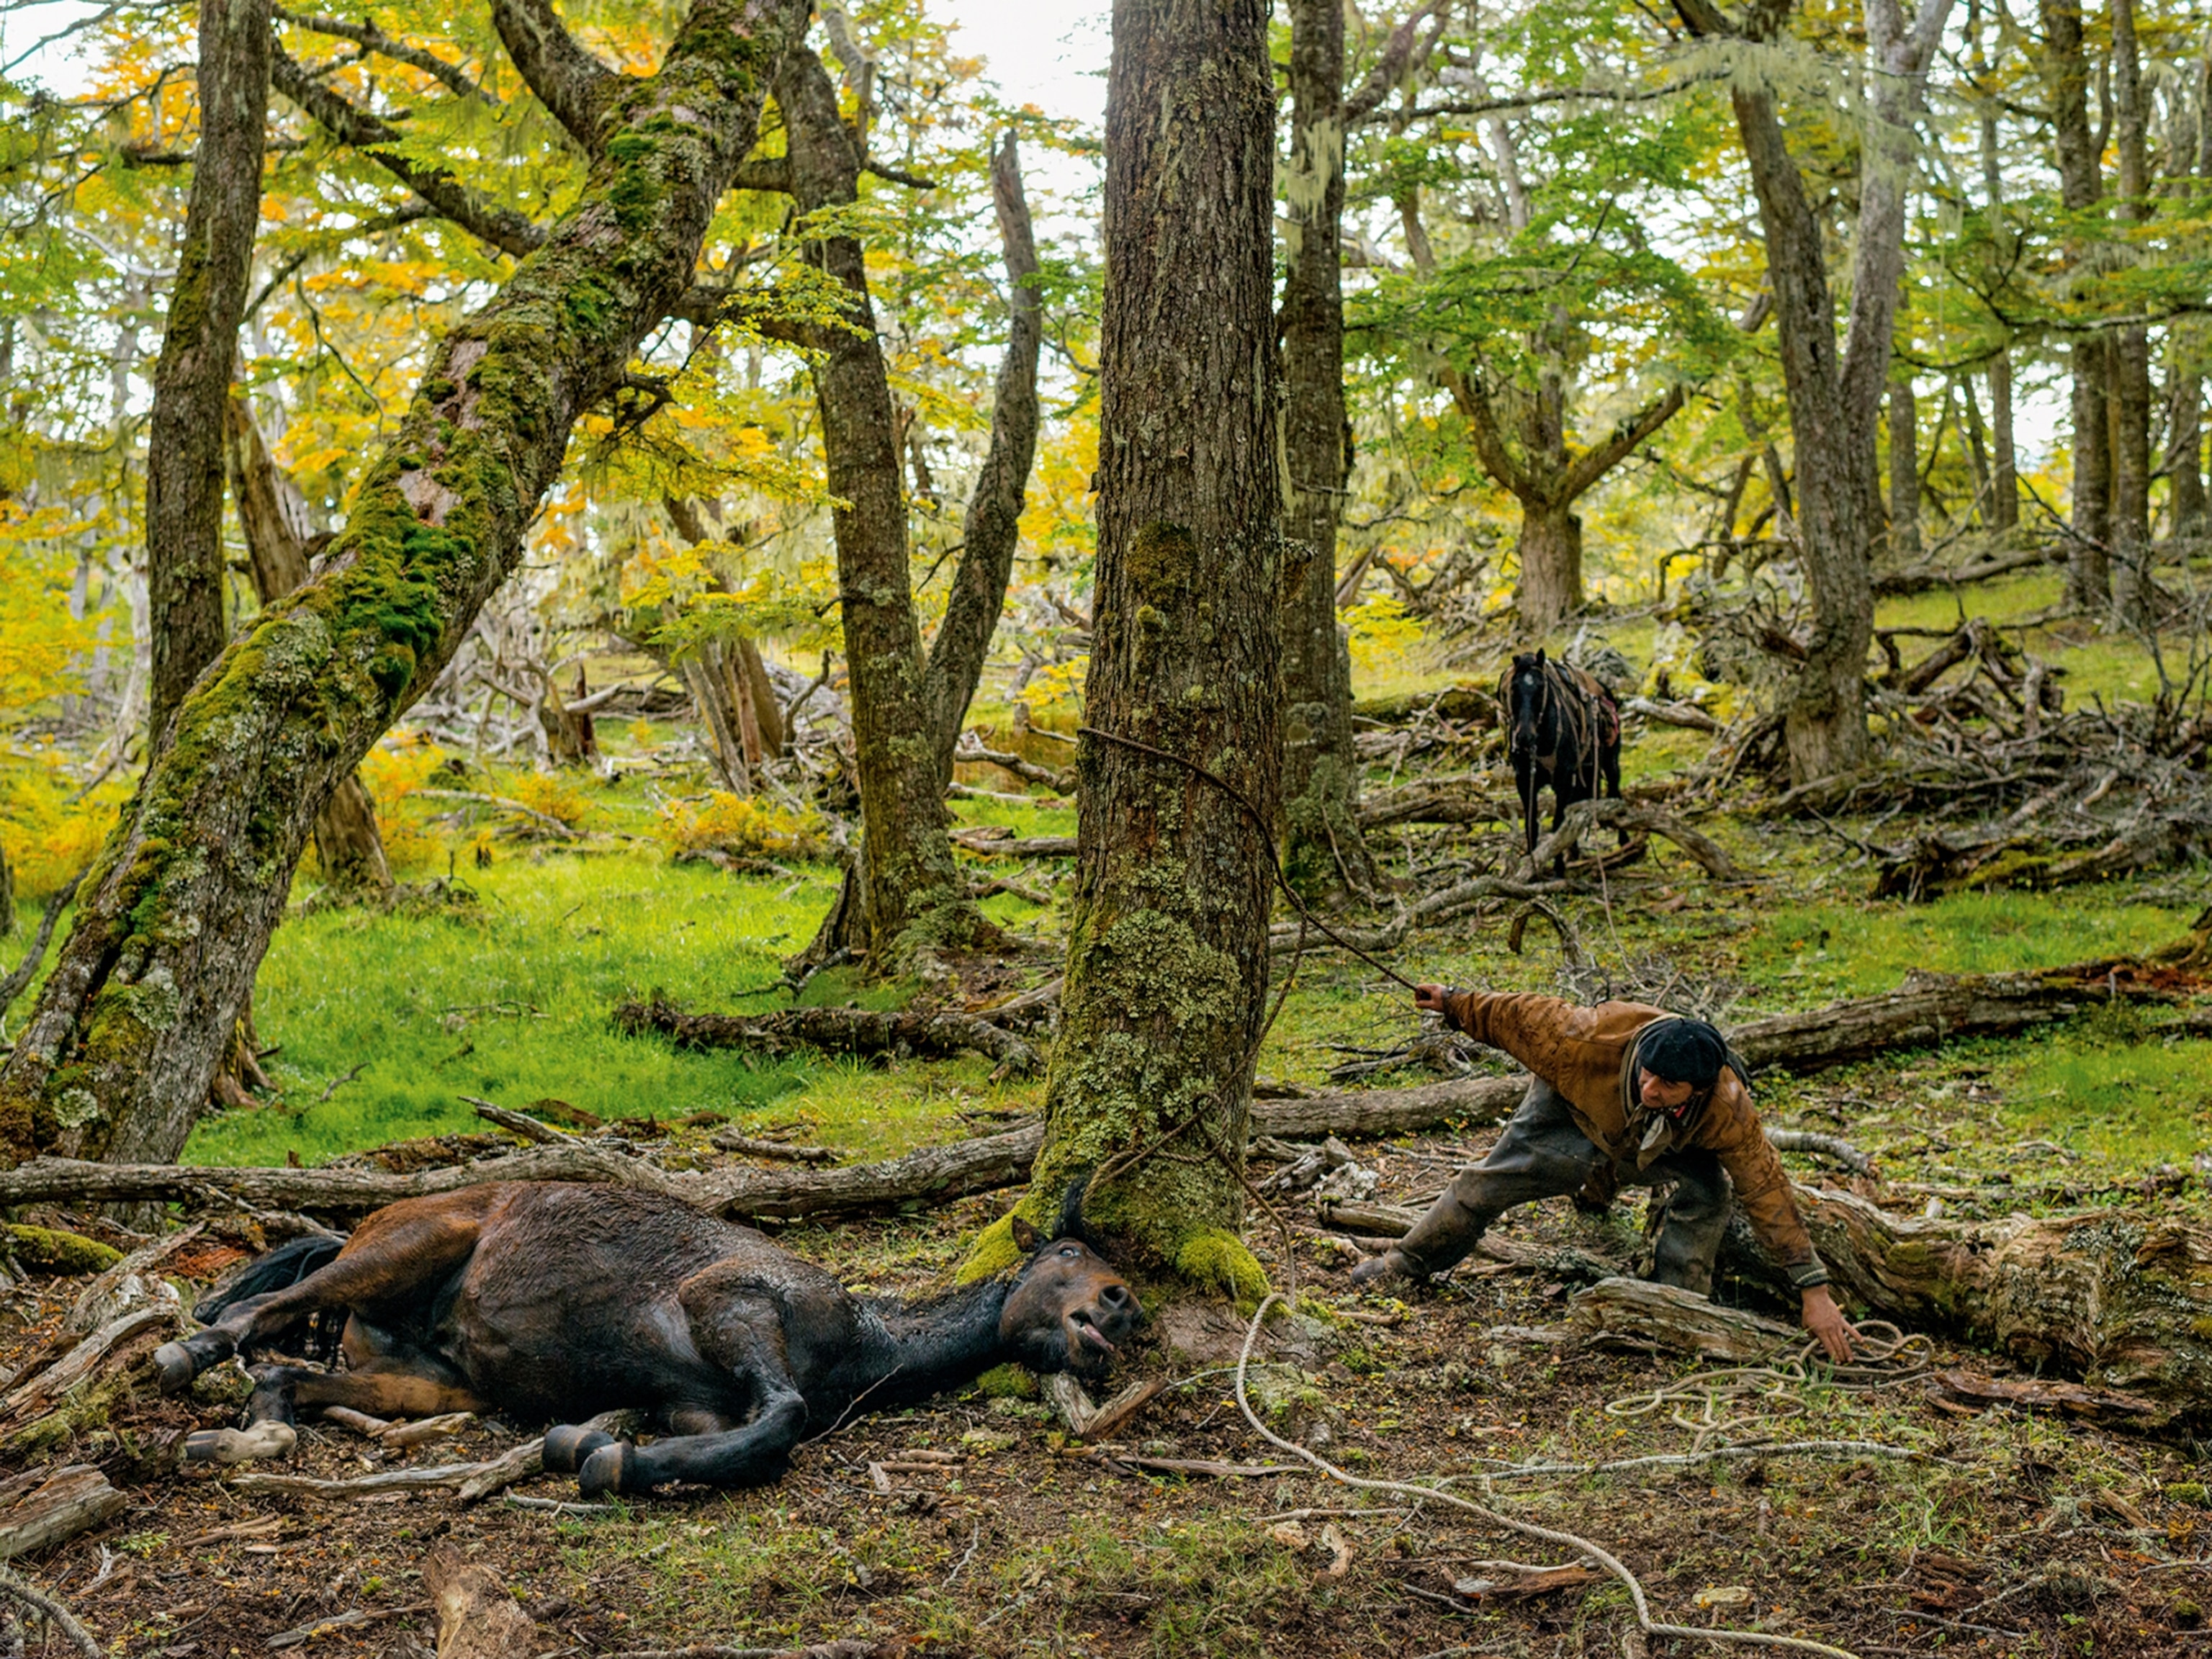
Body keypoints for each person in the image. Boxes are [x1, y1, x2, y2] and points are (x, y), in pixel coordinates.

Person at [1349, 984, 1857, 1362]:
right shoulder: (1583, 1039)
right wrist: (1454, 1002)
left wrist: (1813, 1291)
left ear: (1698, 1089)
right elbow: (1513, 1016)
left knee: (1709, 1193)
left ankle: (1675, 1309)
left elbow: (1766, 1188)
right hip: (1567, 1111)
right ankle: (1405, 1262)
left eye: (1669, 1084)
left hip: (1660, 1145)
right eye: (1647, 1074)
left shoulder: (1727, 1107)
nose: (1652, 1087)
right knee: (1488, 1182)